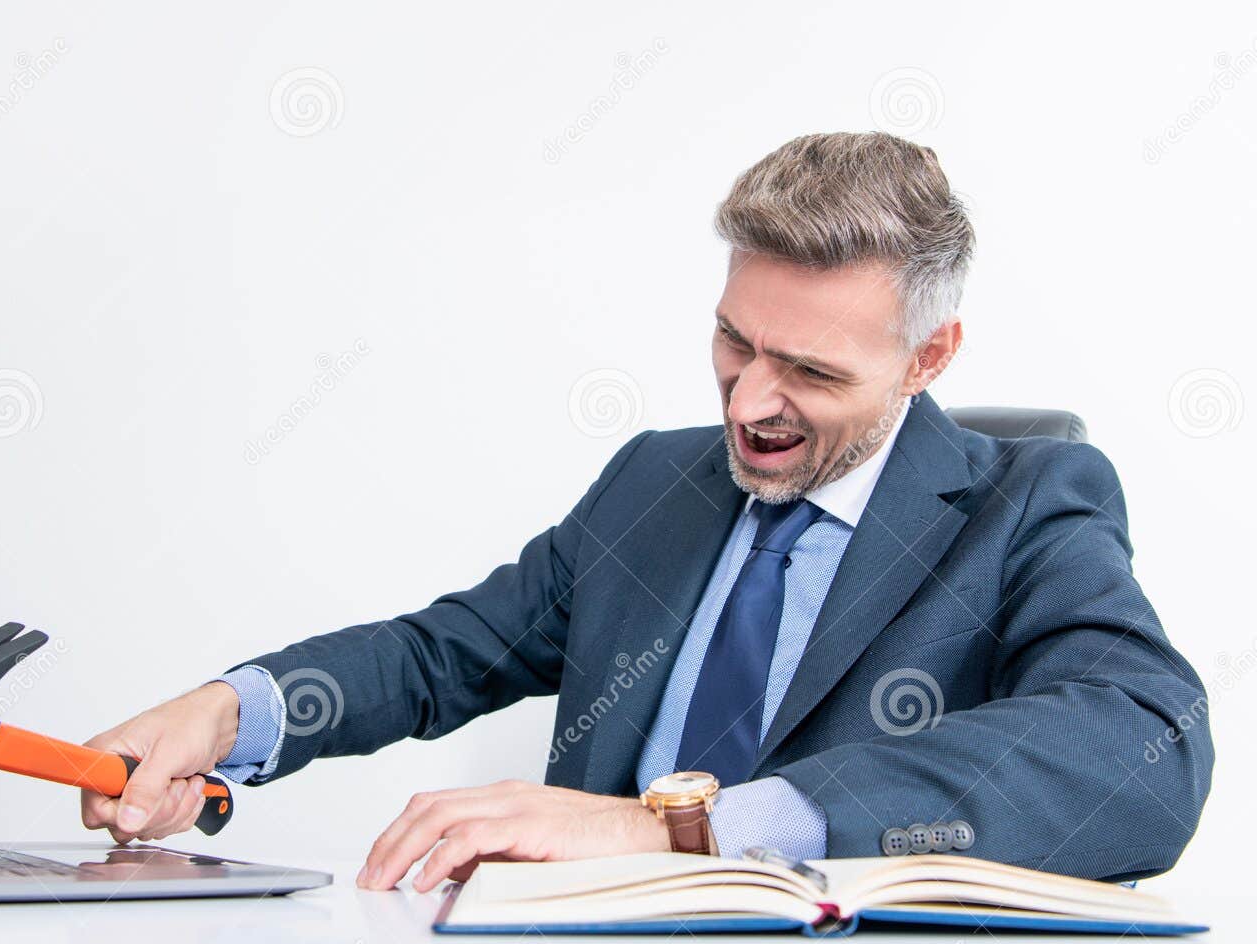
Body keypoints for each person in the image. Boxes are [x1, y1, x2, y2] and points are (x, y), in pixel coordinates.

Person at [81, 131, 1212, 892]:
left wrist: (680, 828)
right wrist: (227, 716)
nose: (751, 404)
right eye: (735, 342)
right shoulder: (657, 481)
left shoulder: (1025, 502)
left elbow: (1139, 749)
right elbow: (444, 651)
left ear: (928, 356)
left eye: (810, 371)